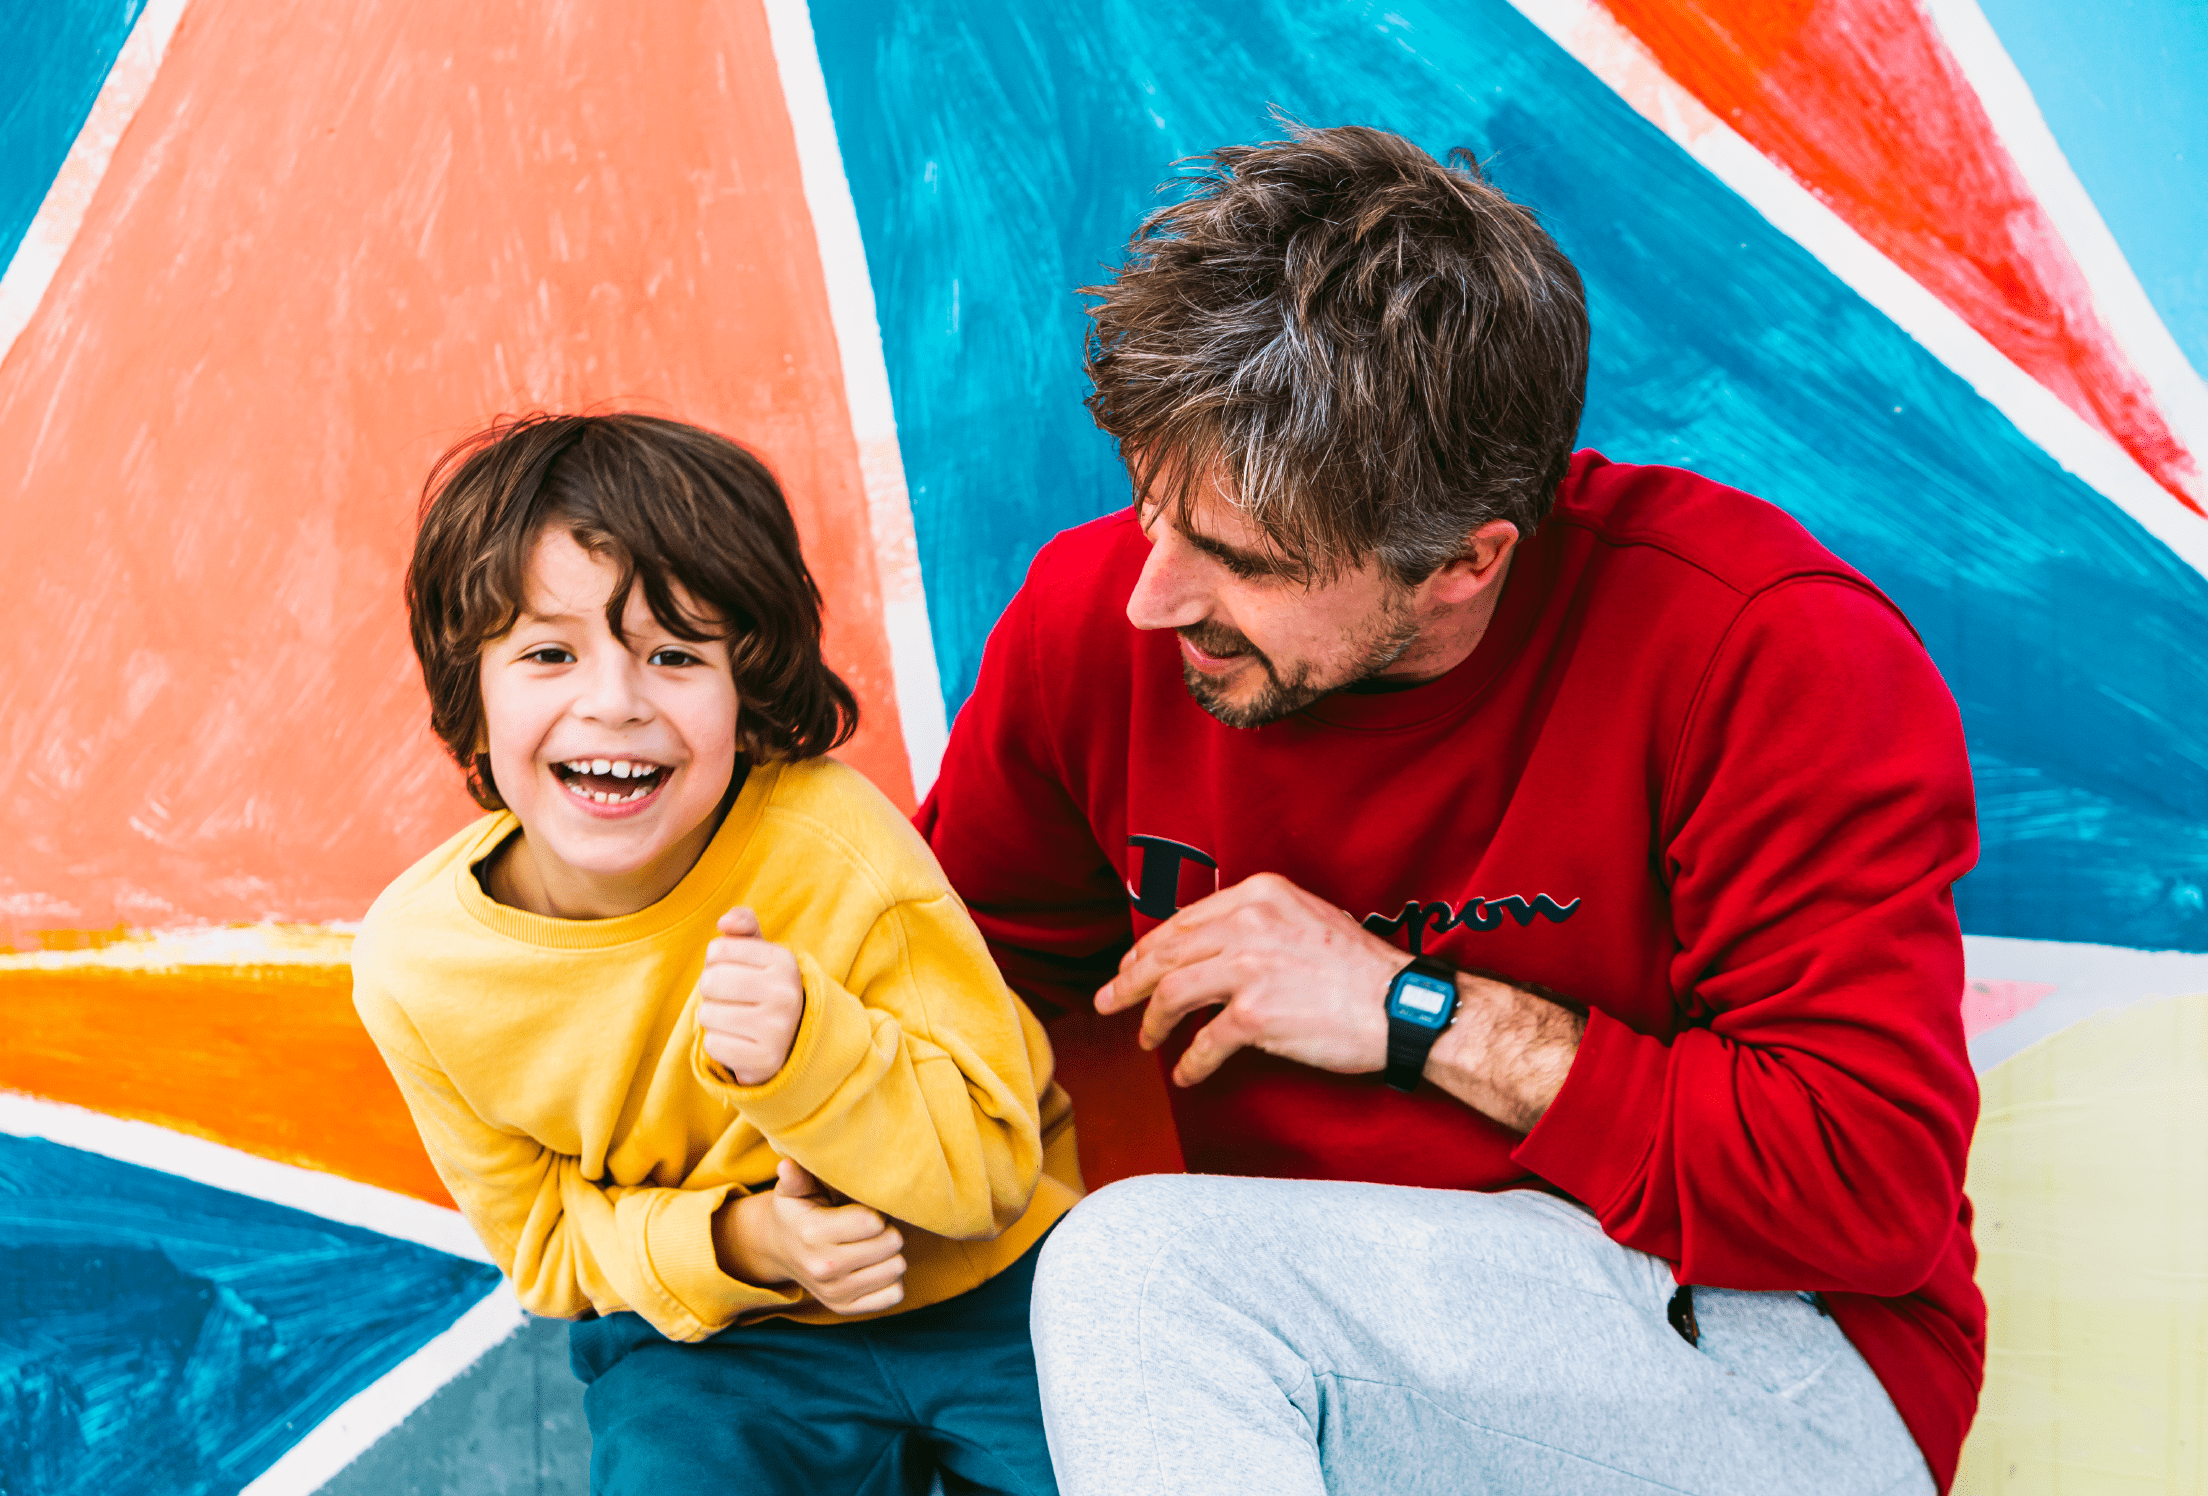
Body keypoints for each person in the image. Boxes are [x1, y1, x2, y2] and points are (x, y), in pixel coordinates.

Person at [919, 124, 1980, 1495]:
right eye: (1150, 512)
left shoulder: (1766, 653)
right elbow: (954, 990)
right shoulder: (1096, 632)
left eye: (1241, 560)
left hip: (1768, 1363)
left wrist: (1417, 1014)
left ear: (1465, 564)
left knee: (1140, 1270)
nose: (1154, 595)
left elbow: (1863, 1186)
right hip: (1320, 1368)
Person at [353, 412, 1078, 1496]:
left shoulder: (835, 846)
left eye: (675, 654)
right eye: (549, 653)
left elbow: (989, 1169)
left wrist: (810, 1056)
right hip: (716, 1339)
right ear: (473, 694)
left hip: (991, 1289)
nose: (615, 701)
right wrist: (755, 1242)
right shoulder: (421, 968)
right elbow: (549, 1249)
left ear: (748, 697)